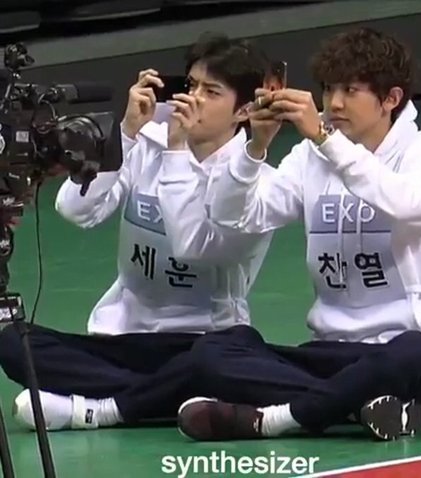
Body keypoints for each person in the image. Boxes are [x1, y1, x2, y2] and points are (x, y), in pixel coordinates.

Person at [176, 28, 421, 442]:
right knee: (217, 350)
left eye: (350, 90)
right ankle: (358, 405)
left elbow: (409, 202)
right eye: (329, 89)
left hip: (412, 357)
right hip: (332, 354)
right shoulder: (309, 158)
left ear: (391, 99)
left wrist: (324, 138)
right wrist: (255, 148)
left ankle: (274, 419)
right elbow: (236, 216)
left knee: (416, 352)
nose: (334, 103)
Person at [0, 33, 275, 431]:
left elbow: (196, 249)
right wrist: (126, 133)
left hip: (202, 340)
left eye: (211, 92)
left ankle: (100, 408)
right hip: (123, 337)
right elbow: (75, 210)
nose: (193, 99)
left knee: (222, 359)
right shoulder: (146, 145)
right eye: (191, 85)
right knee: (13, 343)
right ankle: (169, 399)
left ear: (244, 110)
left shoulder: (255, 180)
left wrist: (176, 152)